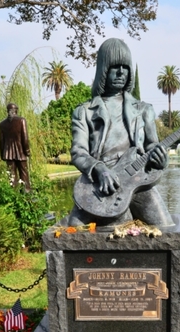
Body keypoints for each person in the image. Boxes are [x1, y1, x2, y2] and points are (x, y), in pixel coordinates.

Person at [67, 38, 174, 228]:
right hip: (99, 186)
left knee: (168, 231)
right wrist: (99, 169)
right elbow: (78, 152)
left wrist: (160, 157)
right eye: (114, 67)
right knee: (76, 231)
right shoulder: (84, 112)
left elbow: (151, 145)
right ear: (103, 69)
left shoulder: (144, 110)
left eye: (125, 67)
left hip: (139, 181)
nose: (120, 73)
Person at [0, 103, 31, 193]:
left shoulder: (2, 124)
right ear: (16, 110)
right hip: (20, 152)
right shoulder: (21, 120)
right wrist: (27, 151)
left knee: (11, 176)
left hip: (7, 153)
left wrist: (2, 154)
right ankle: (27, 193)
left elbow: (1, 141)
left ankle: (14, 193)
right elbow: (25, 138)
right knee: (24, 173)